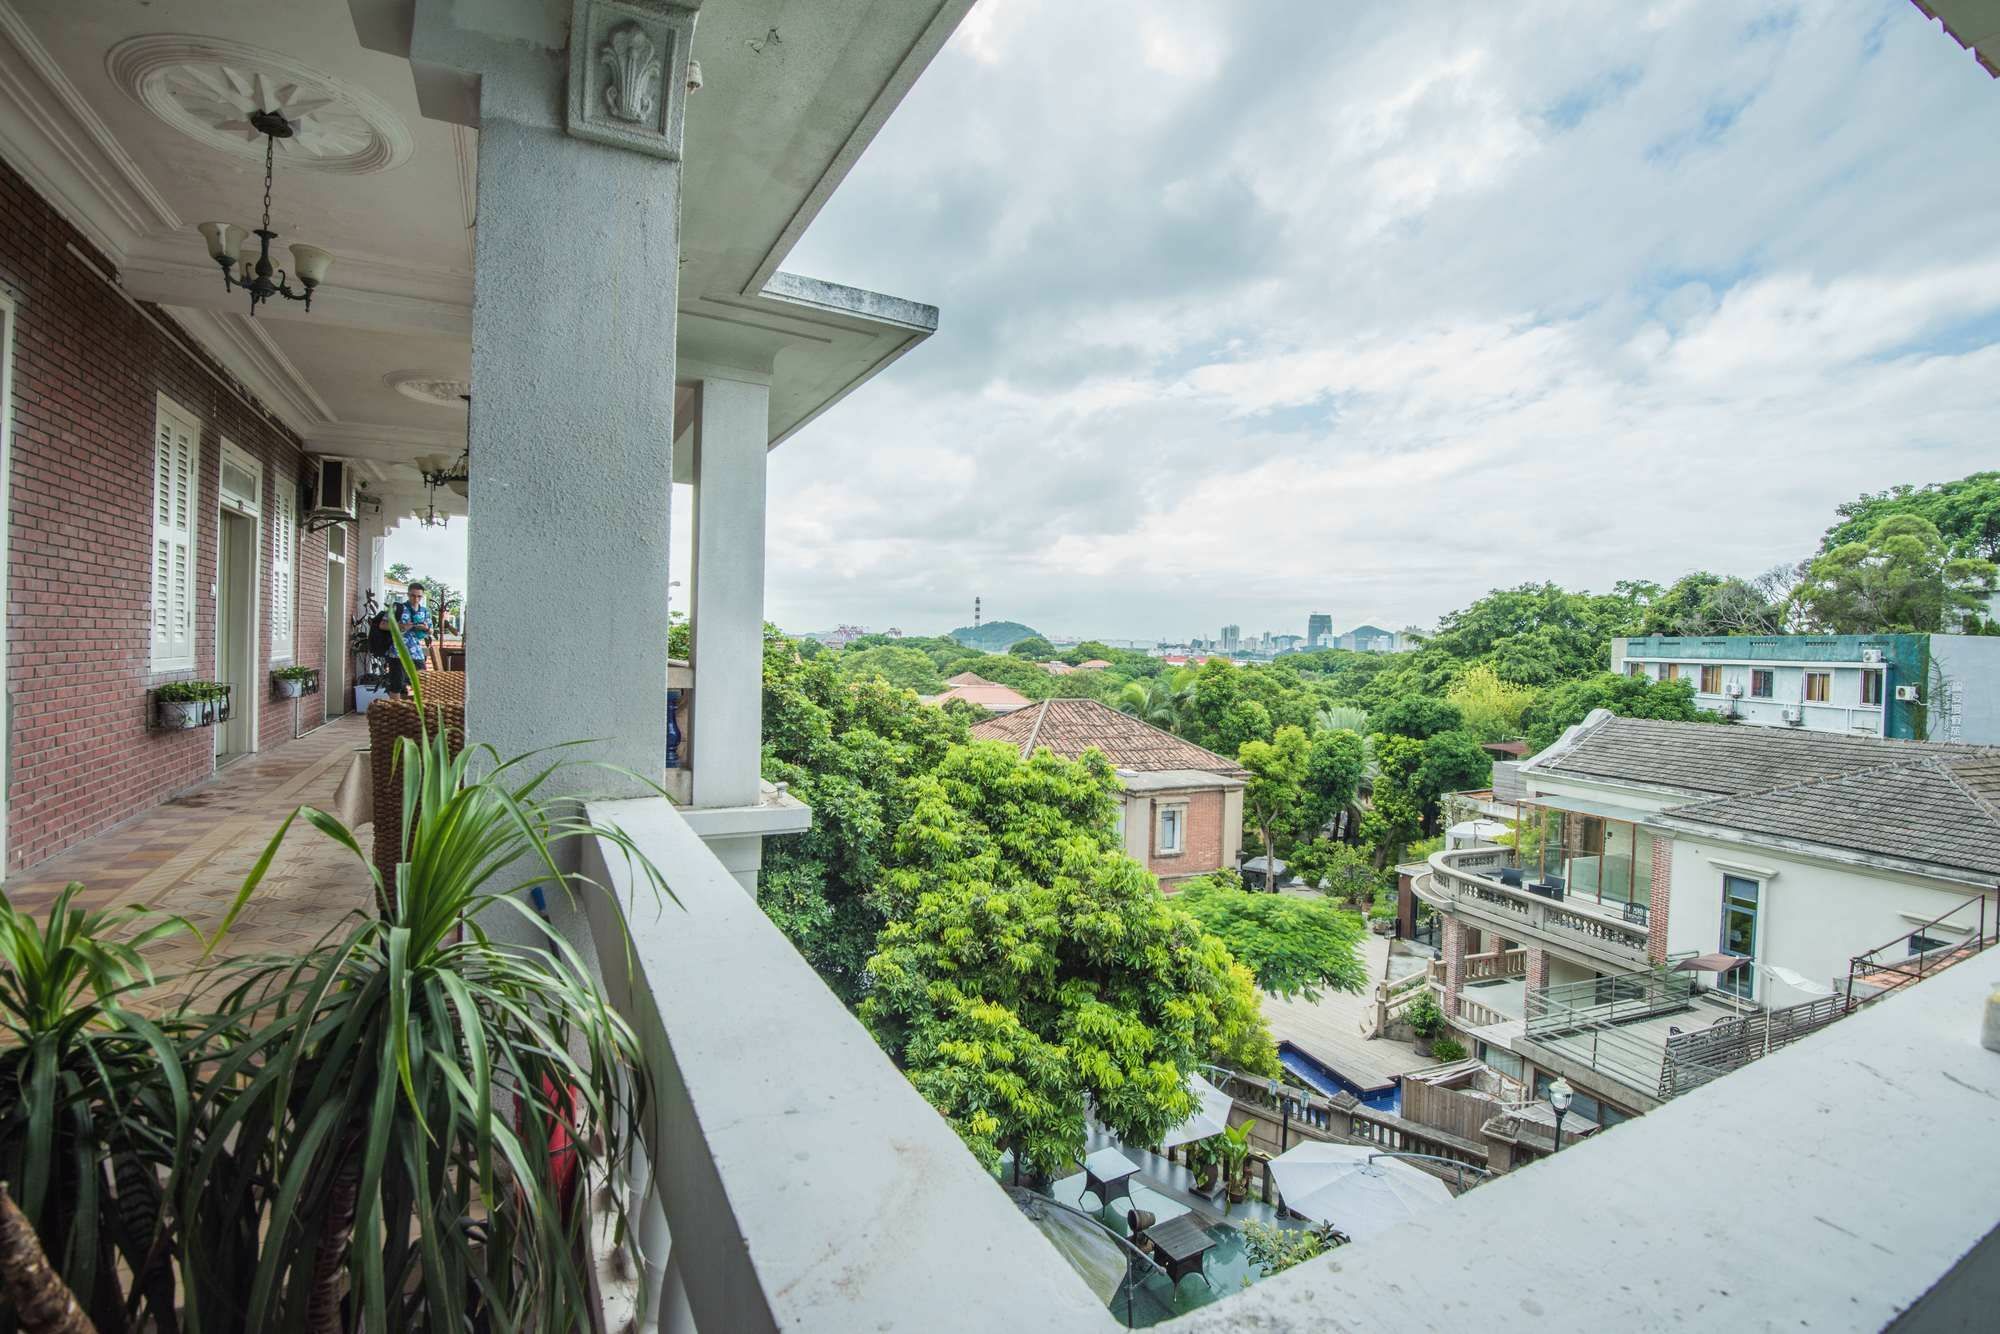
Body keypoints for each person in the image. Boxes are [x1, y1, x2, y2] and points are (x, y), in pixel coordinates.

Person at [394, 580, 435, 693]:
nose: (416, 599)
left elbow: (431, 631)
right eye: (413, 595)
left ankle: (419, 709)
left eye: (419, 596)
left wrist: (425, 628)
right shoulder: (399, 608)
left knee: (423, 682)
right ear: (408, 594)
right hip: (398, 652)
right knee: (398, 685)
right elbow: (383, 625)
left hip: (416, 651)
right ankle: (398, 709)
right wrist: (403, 626)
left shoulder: (424, 611)